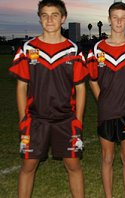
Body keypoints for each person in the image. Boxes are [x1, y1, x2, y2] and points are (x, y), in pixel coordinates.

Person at [9, 0, 88, 197]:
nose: (49, 19)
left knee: (73, 165)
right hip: (36, 119)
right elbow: (21, 87)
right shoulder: (28, 49)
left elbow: (80, 88)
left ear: (63, 18)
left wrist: (77, 120)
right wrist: (23, 120)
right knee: (28, 165)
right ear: (39, 18)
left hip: (66, 119)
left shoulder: (73, 50)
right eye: (44, 15)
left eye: (54, 15)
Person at [86, 2, 125, 198]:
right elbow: (92, 79)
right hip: (106, 111)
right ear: (109, 19)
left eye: (123, 17)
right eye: (115, 17)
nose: (119, 21)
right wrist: (101, 100)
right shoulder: (97, 49)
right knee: (107, 157)